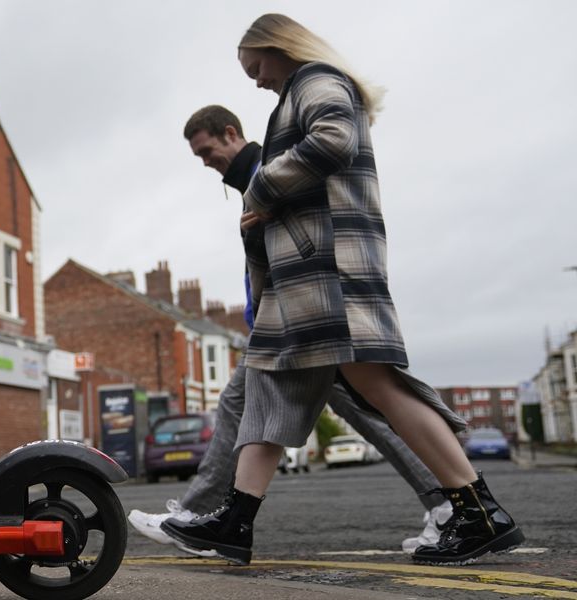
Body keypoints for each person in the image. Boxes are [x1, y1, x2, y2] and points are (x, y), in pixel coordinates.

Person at [162, 14, 524, 567]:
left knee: (380, 388)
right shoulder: (300, 90)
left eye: (256, 68)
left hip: (329, 267)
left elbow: (333, 140)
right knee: (267, 387)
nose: (256, 81)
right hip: (306, 273)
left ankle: (477, 510)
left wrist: (261, 189)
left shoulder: (317, 80)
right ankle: (236, 519)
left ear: (279, 48)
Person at [127, 105, 452, 556]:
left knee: (354, 411)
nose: (205, 162)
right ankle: (447, 503)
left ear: (230, 133)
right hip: (286, 320)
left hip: (300, 319)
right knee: (361, 414)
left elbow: (305, 229)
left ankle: (201, 518)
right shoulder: (251, 180)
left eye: (207, 151)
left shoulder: (269, 169)